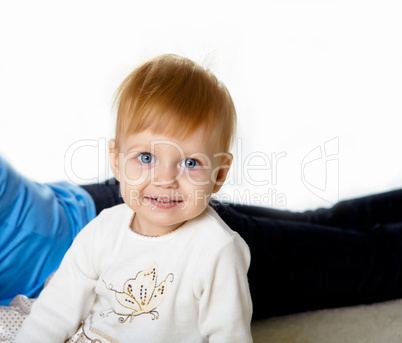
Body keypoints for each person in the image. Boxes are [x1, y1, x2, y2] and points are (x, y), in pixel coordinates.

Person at [14, 54, 253, 342]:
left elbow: (230, 336)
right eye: (146, 157)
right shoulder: (104, 230)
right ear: (116, 160)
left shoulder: (215, 251)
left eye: (190, 163)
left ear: (219, 174)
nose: (165, 180)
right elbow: (53, 313)